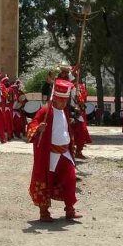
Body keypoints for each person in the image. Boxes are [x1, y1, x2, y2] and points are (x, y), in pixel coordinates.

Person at [27, 79, 82, 222]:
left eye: (65, 100)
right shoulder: (45, 110)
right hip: (50, 154)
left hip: (65, 152)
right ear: (55, 98)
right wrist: (38, 129)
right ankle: (44, 212)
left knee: (70, 180)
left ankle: (70, 210)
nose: (64, 103)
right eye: (61, 100)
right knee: (46, 181)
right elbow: (32, 125)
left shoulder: (65, 111)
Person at [72, 83, 92, 159]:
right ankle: (70, 151)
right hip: (68, 112)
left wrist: (81, 103)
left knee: (82, 132)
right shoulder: (66, 84)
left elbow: (83, 99)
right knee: (70, 133)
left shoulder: (81, 86)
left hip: (79, 113)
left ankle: (78, 151)